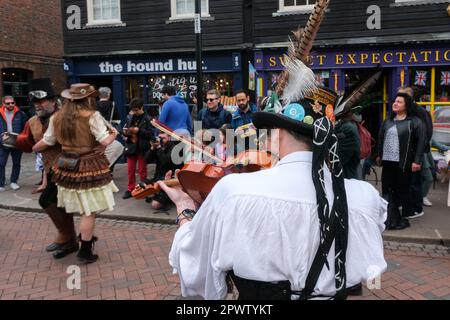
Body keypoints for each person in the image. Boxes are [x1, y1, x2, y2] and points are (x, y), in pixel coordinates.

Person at [159, 85, 387, 300]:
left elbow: (195, 270)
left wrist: (185, 211)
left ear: (280, 133)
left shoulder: (233, 191)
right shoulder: (366, 198)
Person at [33, 83, 119, 264]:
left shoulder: (57, 117)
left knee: (74, 204)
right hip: (88, 164)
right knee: (88, 211)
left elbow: (47, 141)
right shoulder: (92, 115)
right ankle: (85, 251)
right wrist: (114, 135)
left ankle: (72, 240)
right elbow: (104, 141)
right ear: (87, 98)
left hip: (65, 165)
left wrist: (33, 147)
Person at [9, 78, 79, 259]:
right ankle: (71, 241)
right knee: (61, 205)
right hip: (51, 170)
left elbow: (77, 144)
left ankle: (67, 236)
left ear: (53, 101)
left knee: (46, 200)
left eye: (42, 101)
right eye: (35, 102)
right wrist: (13, 140)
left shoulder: (64, 118)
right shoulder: (32, 121)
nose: (38, 105)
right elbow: (27, 143)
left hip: (70, 167)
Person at [376, 92, 425, 230]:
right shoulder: (388, 121)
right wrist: (379, 155)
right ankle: (388, 216)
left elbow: (421, 142)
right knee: (386, 188)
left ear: (406, 105)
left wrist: (417, 161)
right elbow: (380, 138)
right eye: (395, 101)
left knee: (403, 190)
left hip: (404, 163)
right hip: (388, 162)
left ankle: (402, 217)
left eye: (399, 102)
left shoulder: (415, 122)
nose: (395, 103)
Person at [397, 87, 433, 216]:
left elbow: (427, 133)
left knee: (417, 179)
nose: (398, 99)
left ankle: (416, 206)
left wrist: (417, 152)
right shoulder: (403, 112)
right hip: (403, 153)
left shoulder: (420, 112)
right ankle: (405, 203)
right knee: (404, 179)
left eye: (402, 96)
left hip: (415, 153)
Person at [122, 98, 153, 199]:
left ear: (141, 108)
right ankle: (130, 189)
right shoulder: (130, 117)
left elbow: (150, 134)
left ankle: (143, 189)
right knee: (130, 170)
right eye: (133, 110)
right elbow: (124, 128)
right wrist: (125, 132)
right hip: (131, 146)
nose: (134, 112)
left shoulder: (148, 118)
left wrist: (138, 131)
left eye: (136, 110)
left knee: (142, 171)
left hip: (142, 147)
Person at [144, 132, 183, 210]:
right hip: (159, 177)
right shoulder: (159, 147)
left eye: (163, 138)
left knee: (155, 205)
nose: (161, 140)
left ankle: (170, 197)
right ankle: (161, 194)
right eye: (159, 137)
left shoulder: (175, 148)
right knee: (141, 187)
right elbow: (146, 160)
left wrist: (158, 148)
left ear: (169, 138)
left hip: (171, 180)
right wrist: (152, 148)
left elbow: (165, 161)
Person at [0, 95, 27, 191]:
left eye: (12, 102)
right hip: (3, 143)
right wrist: (2, 135)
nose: (11, 104)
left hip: (17, 142)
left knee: (16, 163)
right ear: (3, 104)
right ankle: (1, 184)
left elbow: (26, 128)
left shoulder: (21, 114)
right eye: (8, 103)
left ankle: (14, 182)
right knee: (1, 164)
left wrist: (22, 138)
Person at [335, 111, 361, 179]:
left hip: (347, 176)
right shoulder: (347, 125)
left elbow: (341, 157)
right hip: (347, 173)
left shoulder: (348, 127)